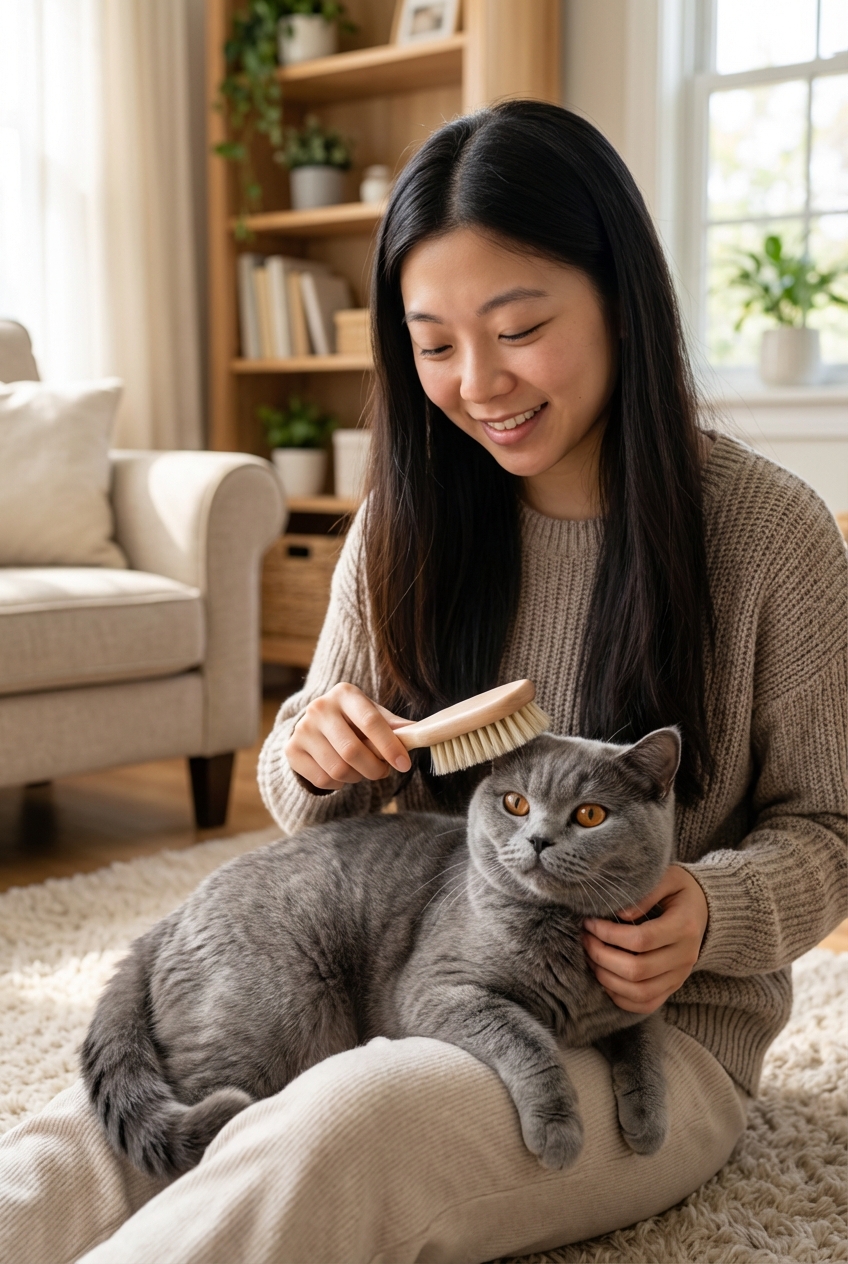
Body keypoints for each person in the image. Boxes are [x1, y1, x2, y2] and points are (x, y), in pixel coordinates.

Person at [1, 100, 845, 1264]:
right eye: (432, 341)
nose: (476, 382)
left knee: (341, 1130)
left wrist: (707, 912)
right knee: (96, 1129)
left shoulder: (768, 531)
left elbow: (829, 823)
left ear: (620, 299)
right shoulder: (409, 515)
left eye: (517, 327)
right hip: (398, 966)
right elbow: (306, 771)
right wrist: (310, 745)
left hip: (646, 1038)